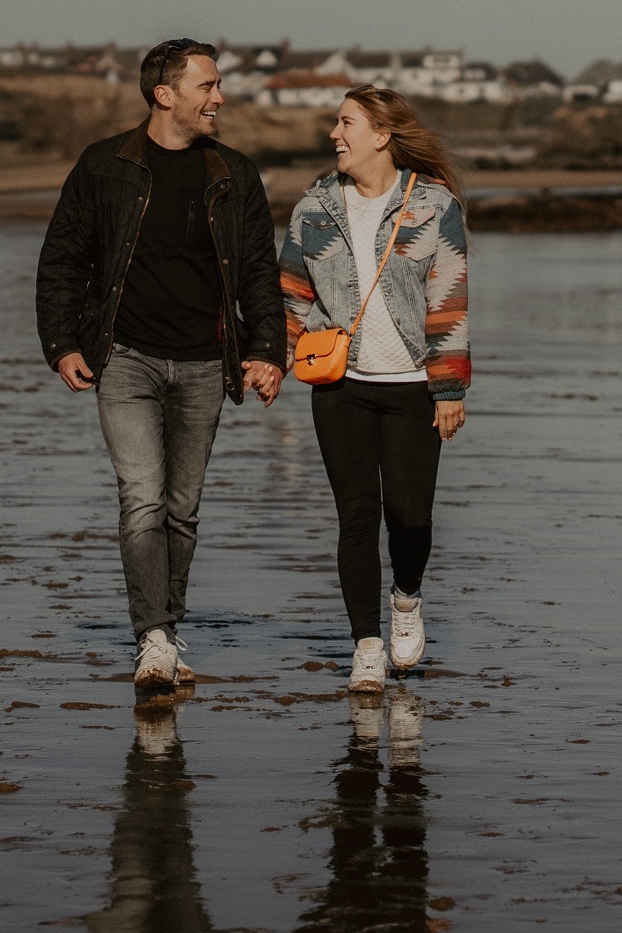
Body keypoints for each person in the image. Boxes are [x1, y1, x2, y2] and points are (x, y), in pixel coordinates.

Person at [36, 39, 285, 691]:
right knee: (142, 498)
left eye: (219, 84)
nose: (220, 97)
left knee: (182, 507)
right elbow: (64, 258)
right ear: (164, 93)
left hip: (208, 360)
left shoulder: (234, 172)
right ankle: (153, 638)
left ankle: (166, 630)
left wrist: (265, 350)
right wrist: (62, 341)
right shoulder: (104, 167)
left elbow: (259, 268)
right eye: (207, 85)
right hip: (126, 357)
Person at [279, 86, 470, 693]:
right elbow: (290, 295)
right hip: (341, 385)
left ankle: (407, 599)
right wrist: (273, 362)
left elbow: (449, 300)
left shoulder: (434, 206)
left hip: (414, 385)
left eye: (345, 123)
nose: (335, 134)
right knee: (356, 516)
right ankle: (366, 645)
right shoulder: (314, 209)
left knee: (410, 518)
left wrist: (449, 389)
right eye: (336, 124)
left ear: (382, 136)